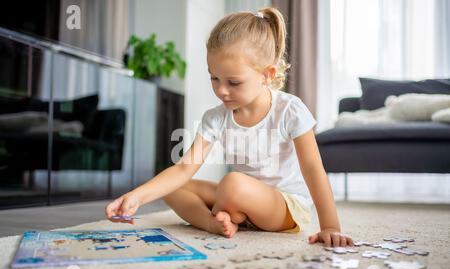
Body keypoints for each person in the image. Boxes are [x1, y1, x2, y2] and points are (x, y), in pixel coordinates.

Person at [105, 7, 353, 247]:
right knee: (173, 187)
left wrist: (330, 225)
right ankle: (212, 222)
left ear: (267, 75)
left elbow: (312, 169)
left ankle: (229, 212)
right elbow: (183, 169)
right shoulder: (216, 117)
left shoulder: (290, 110)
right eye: (214, 78)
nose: (221, 90)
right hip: (236, 194)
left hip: (283, 206)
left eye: (233, 82)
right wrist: (137, 196)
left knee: (233, 183)